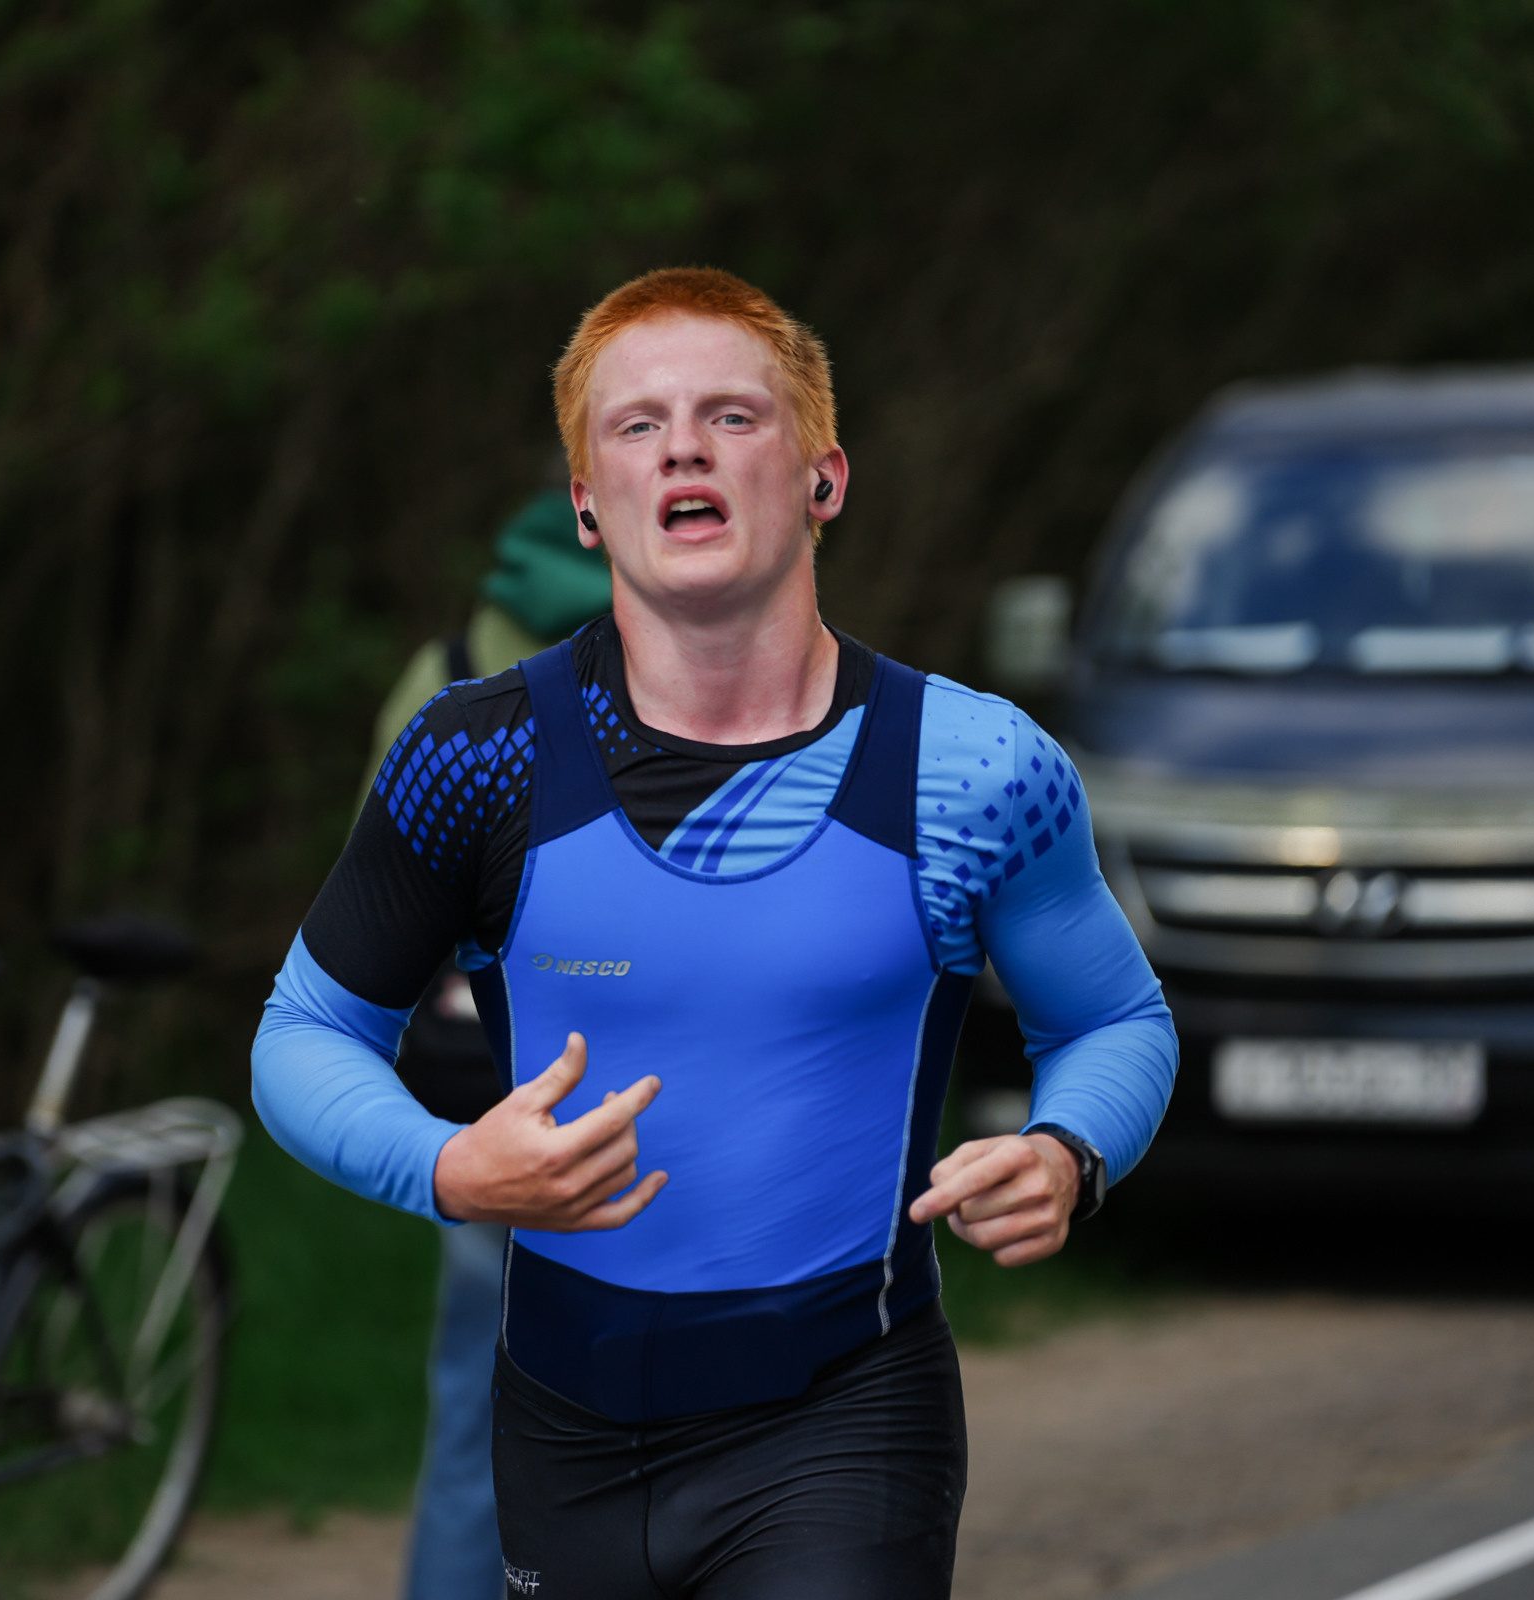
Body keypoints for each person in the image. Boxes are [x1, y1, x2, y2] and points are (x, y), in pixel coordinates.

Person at [254, 267, 1177, 1599]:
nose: (683, 445)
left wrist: (1067, 1146)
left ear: (825, 477)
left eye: (733, 416)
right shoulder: (477, 759)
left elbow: (1113, 1020)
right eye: (636, 424)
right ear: (584, 501)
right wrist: (449, 1167)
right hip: (565, 1426)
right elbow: (305, 1033)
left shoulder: (974, 769)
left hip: (846, 1418)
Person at [367, 488, 614, 1600]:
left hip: (476, 1081)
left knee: (474, 1393)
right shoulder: (669, 660)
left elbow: (374, 883)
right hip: (625, 1074)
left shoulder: (448, 664)